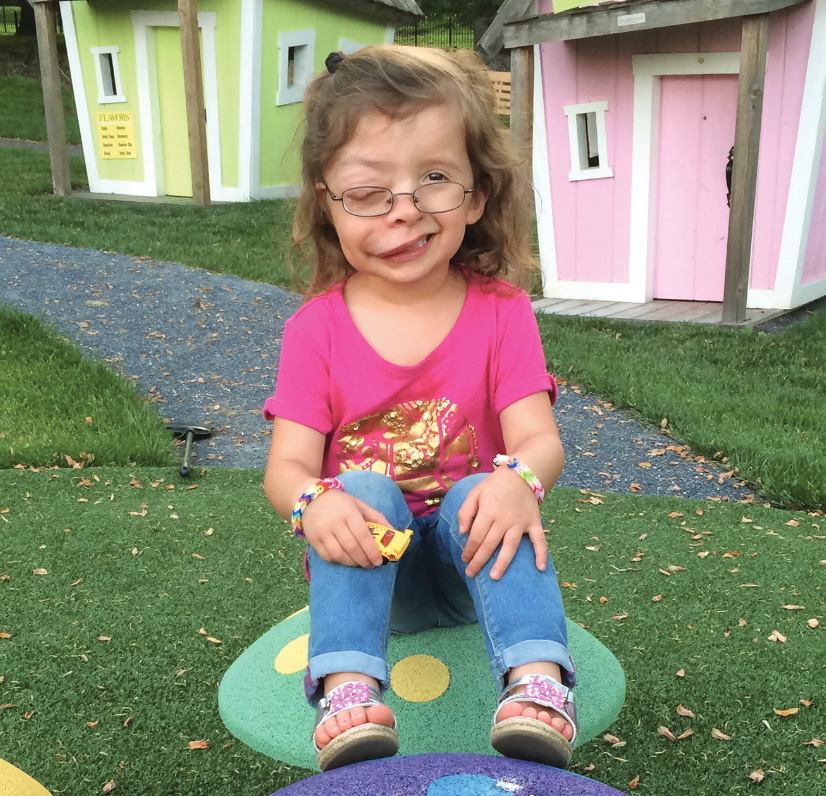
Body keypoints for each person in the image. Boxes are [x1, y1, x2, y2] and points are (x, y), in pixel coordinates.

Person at [263, 44, 576, 773]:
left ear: (476, 195)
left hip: (475, 565)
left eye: (434, 179)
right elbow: (287, 469)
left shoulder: (502, 313)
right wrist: (313, 505)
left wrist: (518, 480)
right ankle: (348, 692)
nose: (404, 212)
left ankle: (538, 681)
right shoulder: (316, 330)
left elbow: (539, 439)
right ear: (326, 201)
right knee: (359, 489)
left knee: (485, 484)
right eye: (369, 191)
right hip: (380, 578)